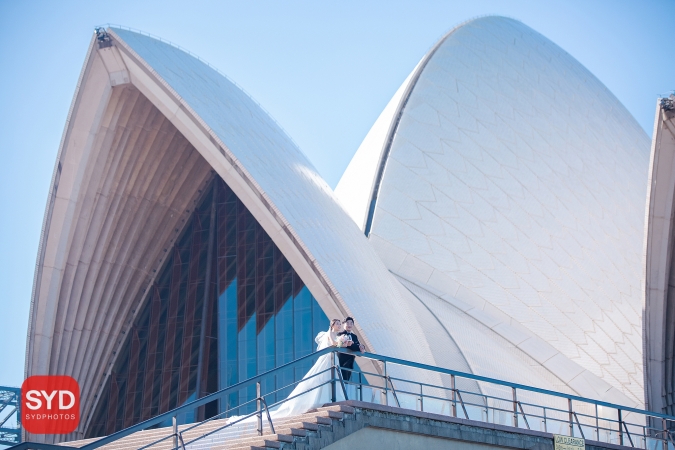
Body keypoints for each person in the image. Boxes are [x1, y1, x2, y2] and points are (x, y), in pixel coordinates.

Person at [336, 317, 365, 381]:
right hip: (342, 361)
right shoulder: (340, 335)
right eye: (347, 323)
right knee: (342, 380)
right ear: (343, 324)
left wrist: (362, 347)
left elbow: (356, 346)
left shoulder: (354, 336)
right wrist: (357, 347)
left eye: (351, 323)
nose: (349, 325)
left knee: (346, 380)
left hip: (350, 361)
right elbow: (349, 346)